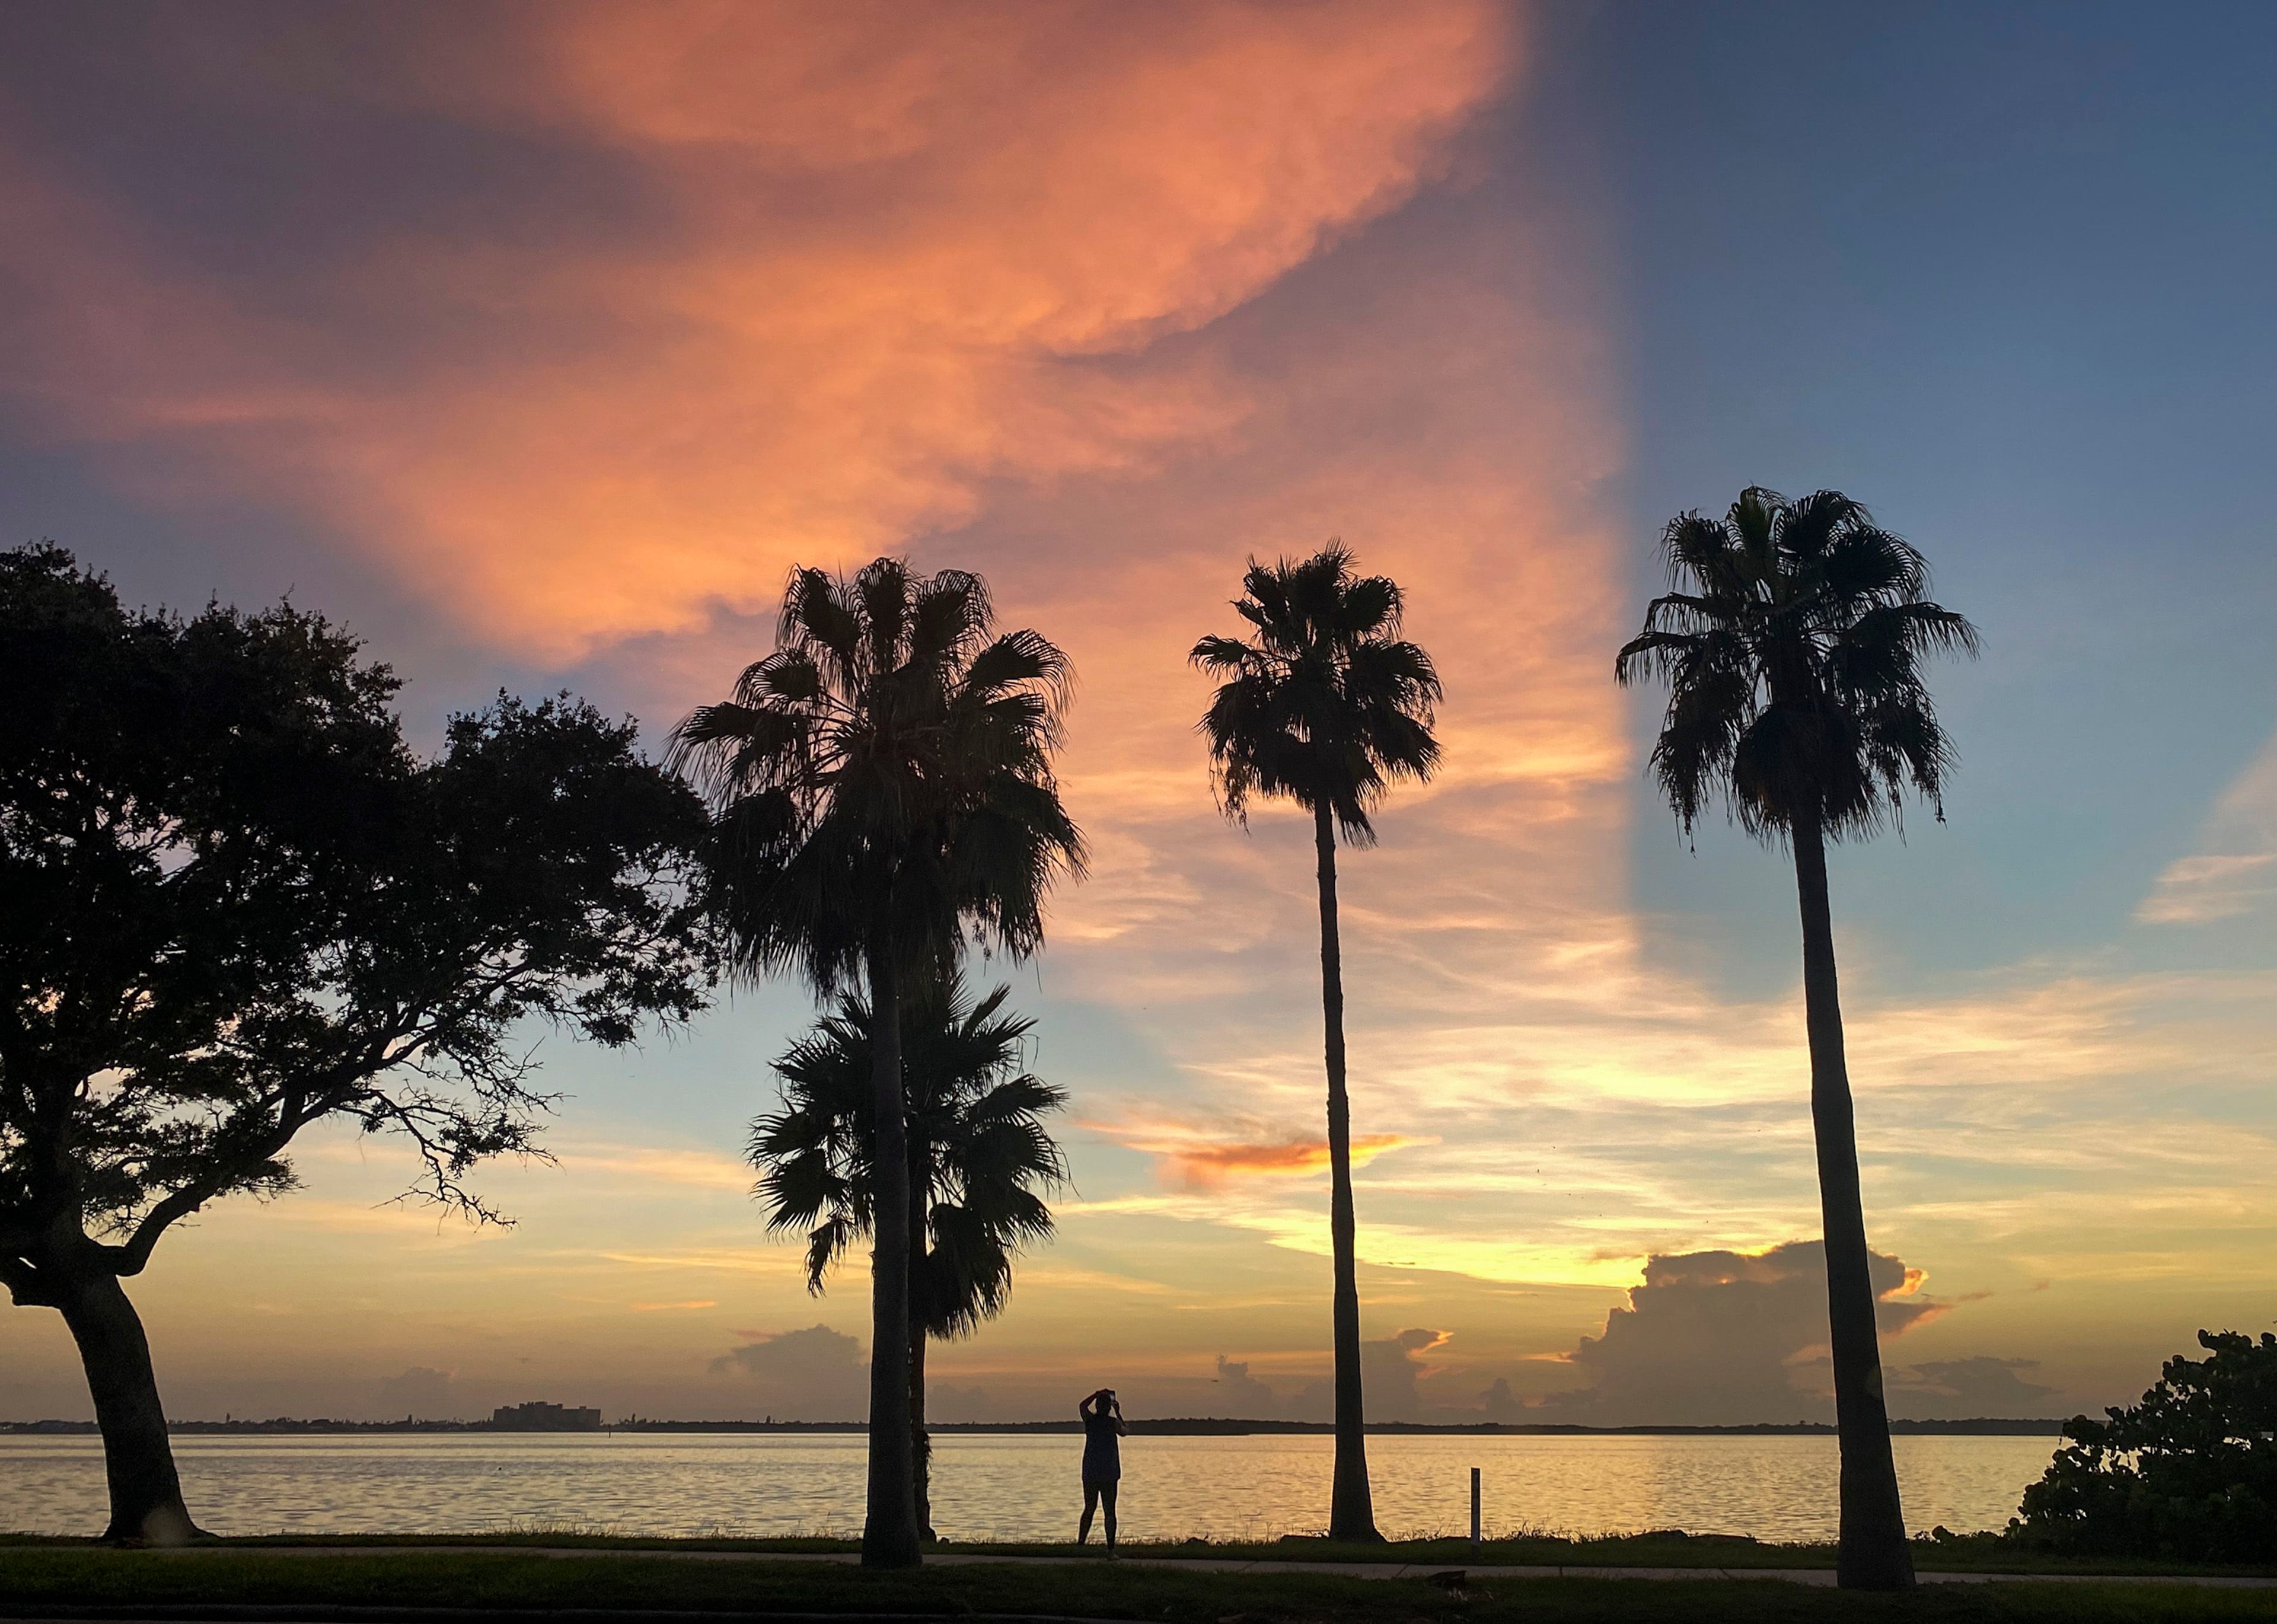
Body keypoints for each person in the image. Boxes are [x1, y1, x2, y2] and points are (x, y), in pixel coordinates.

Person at [1076, 1387, 1126, 1552]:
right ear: (1109, 1407)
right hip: (1109, 1472)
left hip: (1091, 1472)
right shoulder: (1113, 1423)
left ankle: (1081, 1545)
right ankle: (1111, 1549)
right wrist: (1118, 1413)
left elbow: (1082, 1406)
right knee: (1109, 1511)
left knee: (1089, 1508)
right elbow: (1125, 1432)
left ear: (1097, 1406)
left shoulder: (1090, 1421)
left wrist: (1095, 1394)